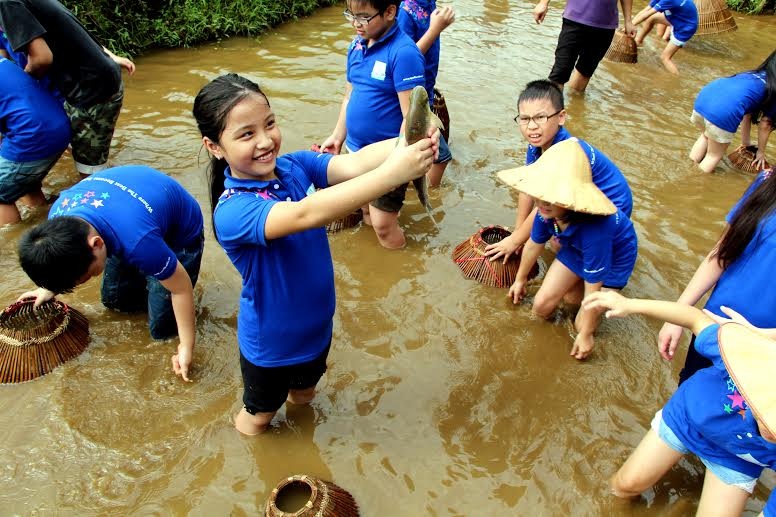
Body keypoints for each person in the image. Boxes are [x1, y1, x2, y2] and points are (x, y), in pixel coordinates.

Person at [192, 73, 437, 435]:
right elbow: (308, 213)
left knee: (305, 396)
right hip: (271, 346)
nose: (265, 141)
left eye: (270, 124)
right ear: (215, 146)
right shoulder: (233, 211)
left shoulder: (295, 166)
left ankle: (300, 439)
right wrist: (393, 174)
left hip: (317, 328)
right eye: (246, 134)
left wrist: (409, 141)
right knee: (258, 417)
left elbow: (354, 163)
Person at [582, 290, 776, 515]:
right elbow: (694, 319)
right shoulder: (747, 361)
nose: (770, 433)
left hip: (738, 457)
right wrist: (628, 303)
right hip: (688, 419)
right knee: (623, 487)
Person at [17, 165, 204, 382]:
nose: (89, 279)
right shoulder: (58, 219)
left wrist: (186, 345)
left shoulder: (139, 242)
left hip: (177, 230)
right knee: (115, 302)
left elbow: (181, 289)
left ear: (96, 244)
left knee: (161, 329)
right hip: (124, 214)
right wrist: (48, 287)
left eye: (89, 275)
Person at [497, 138, 638, 360]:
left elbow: (594, 287)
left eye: (552, 195)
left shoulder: (595, 230)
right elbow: (534, 244)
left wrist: (587, 334)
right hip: (575, 246)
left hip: (614, 255)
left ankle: (584, 322)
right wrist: (520, 280)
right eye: (540, 192)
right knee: (541, 306)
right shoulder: (547, 210)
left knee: (581, 322)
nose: (542, 201)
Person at [484, 80, 632, 263]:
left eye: (540, 117)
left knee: (565, 244)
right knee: (554, 237)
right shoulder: (536, 146)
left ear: (561, 117)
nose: (532, 126)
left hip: (611, 205)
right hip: (581, 198)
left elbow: (546, 202)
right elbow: (529, 188)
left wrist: (514, 241)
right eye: (524, 119)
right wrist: (518, 231)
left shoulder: (565, 153)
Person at [321, 0, 427, 249]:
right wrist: (337, 135)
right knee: (366, 212)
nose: (356, 24)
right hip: (355, 151)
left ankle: (401, 264)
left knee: (382, 224)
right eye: (351, 15)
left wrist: (401, 160)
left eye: (364, 17)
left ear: (390, 12)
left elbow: (410, 117)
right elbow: (349, 95)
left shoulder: (404, 53)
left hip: (386, 156)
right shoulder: (356, 46)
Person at [658, 167, 776, 386]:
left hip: (765, 354)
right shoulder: (767, 181)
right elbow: (723, 253)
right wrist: (678, 315)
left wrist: (763, 337)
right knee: (691, 396)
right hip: (713, 330)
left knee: (741, 416)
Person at [0, 0, 135, 177]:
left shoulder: (7, 4)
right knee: (70, 147)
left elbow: (42, 58)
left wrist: (24, 89)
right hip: (65, 87)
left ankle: (109, 192)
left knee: (89, 171)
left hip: (89, 88)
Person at [0, 57, 70, 225]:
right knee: (24, 183)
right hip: (57, 125)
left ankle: (12, 242)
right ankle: (43, 219)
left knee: (1, 194)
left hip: (33, 133)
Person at [396, 0, 455, 187]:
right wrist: (435, 29)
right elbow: (406, 57)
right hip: (411, 96)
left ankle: (415, 185)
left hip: (425, 91)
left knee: (420, 147)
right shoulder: (405, 11)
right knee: (441, 156)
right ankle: (425, 191)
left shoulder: (429, 4)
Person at [690, 50, 776, 173]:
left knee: (705, 136)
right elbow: (765, 124)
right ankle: (693, 185)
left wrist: (745, 143)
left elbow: (747, 113)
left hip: (705, 98)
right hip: (723, 111)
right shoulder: (774, 89)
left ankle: (690, 169)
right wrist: (761, 153)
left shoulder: (753, 74)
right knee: (713, 156)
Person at [532, 0, 635, 92]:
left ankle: (574, 109)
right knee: (560, 72)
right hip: (574, 20)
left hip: (605, 26)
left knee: (585, 71)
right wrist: (543, 3)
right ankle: (553, 111)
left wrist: (628, 21)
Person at [631, 0, 698, 74]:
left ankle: (676, 78)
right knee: (651, 19)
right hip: (679, 17)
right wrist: (629, 24)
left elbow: (645, 15)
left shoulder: (667, 0)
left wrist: (630, 26)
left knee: (665, 58)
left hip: (685, 28)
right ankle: (638, 42)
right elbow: (645, 11)